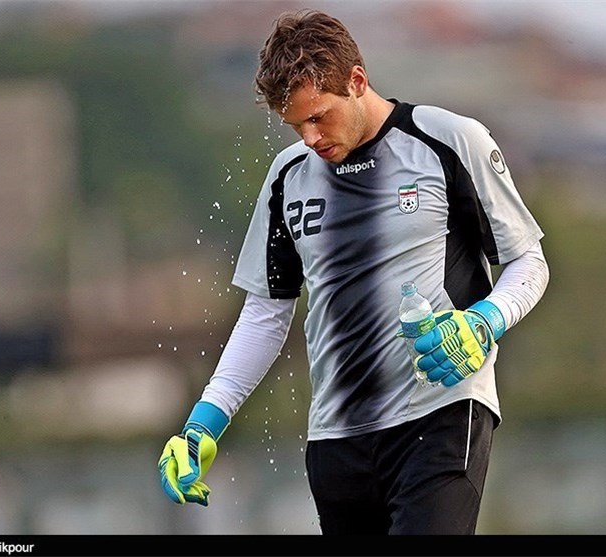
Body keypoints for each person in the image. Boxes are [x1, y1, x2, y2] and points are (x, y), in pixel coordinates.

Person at [158, 8, 550, 535]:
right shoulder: (287, 178)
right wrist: (204, 421)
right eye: (296, 126)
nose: (310, 138)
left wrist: (485, 321)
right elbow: (266, 313)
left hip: (440, 415)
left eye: (318, 117)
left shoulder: (449, 140)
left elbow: (529, 261)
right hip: (336, 440)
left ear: (357, 80)